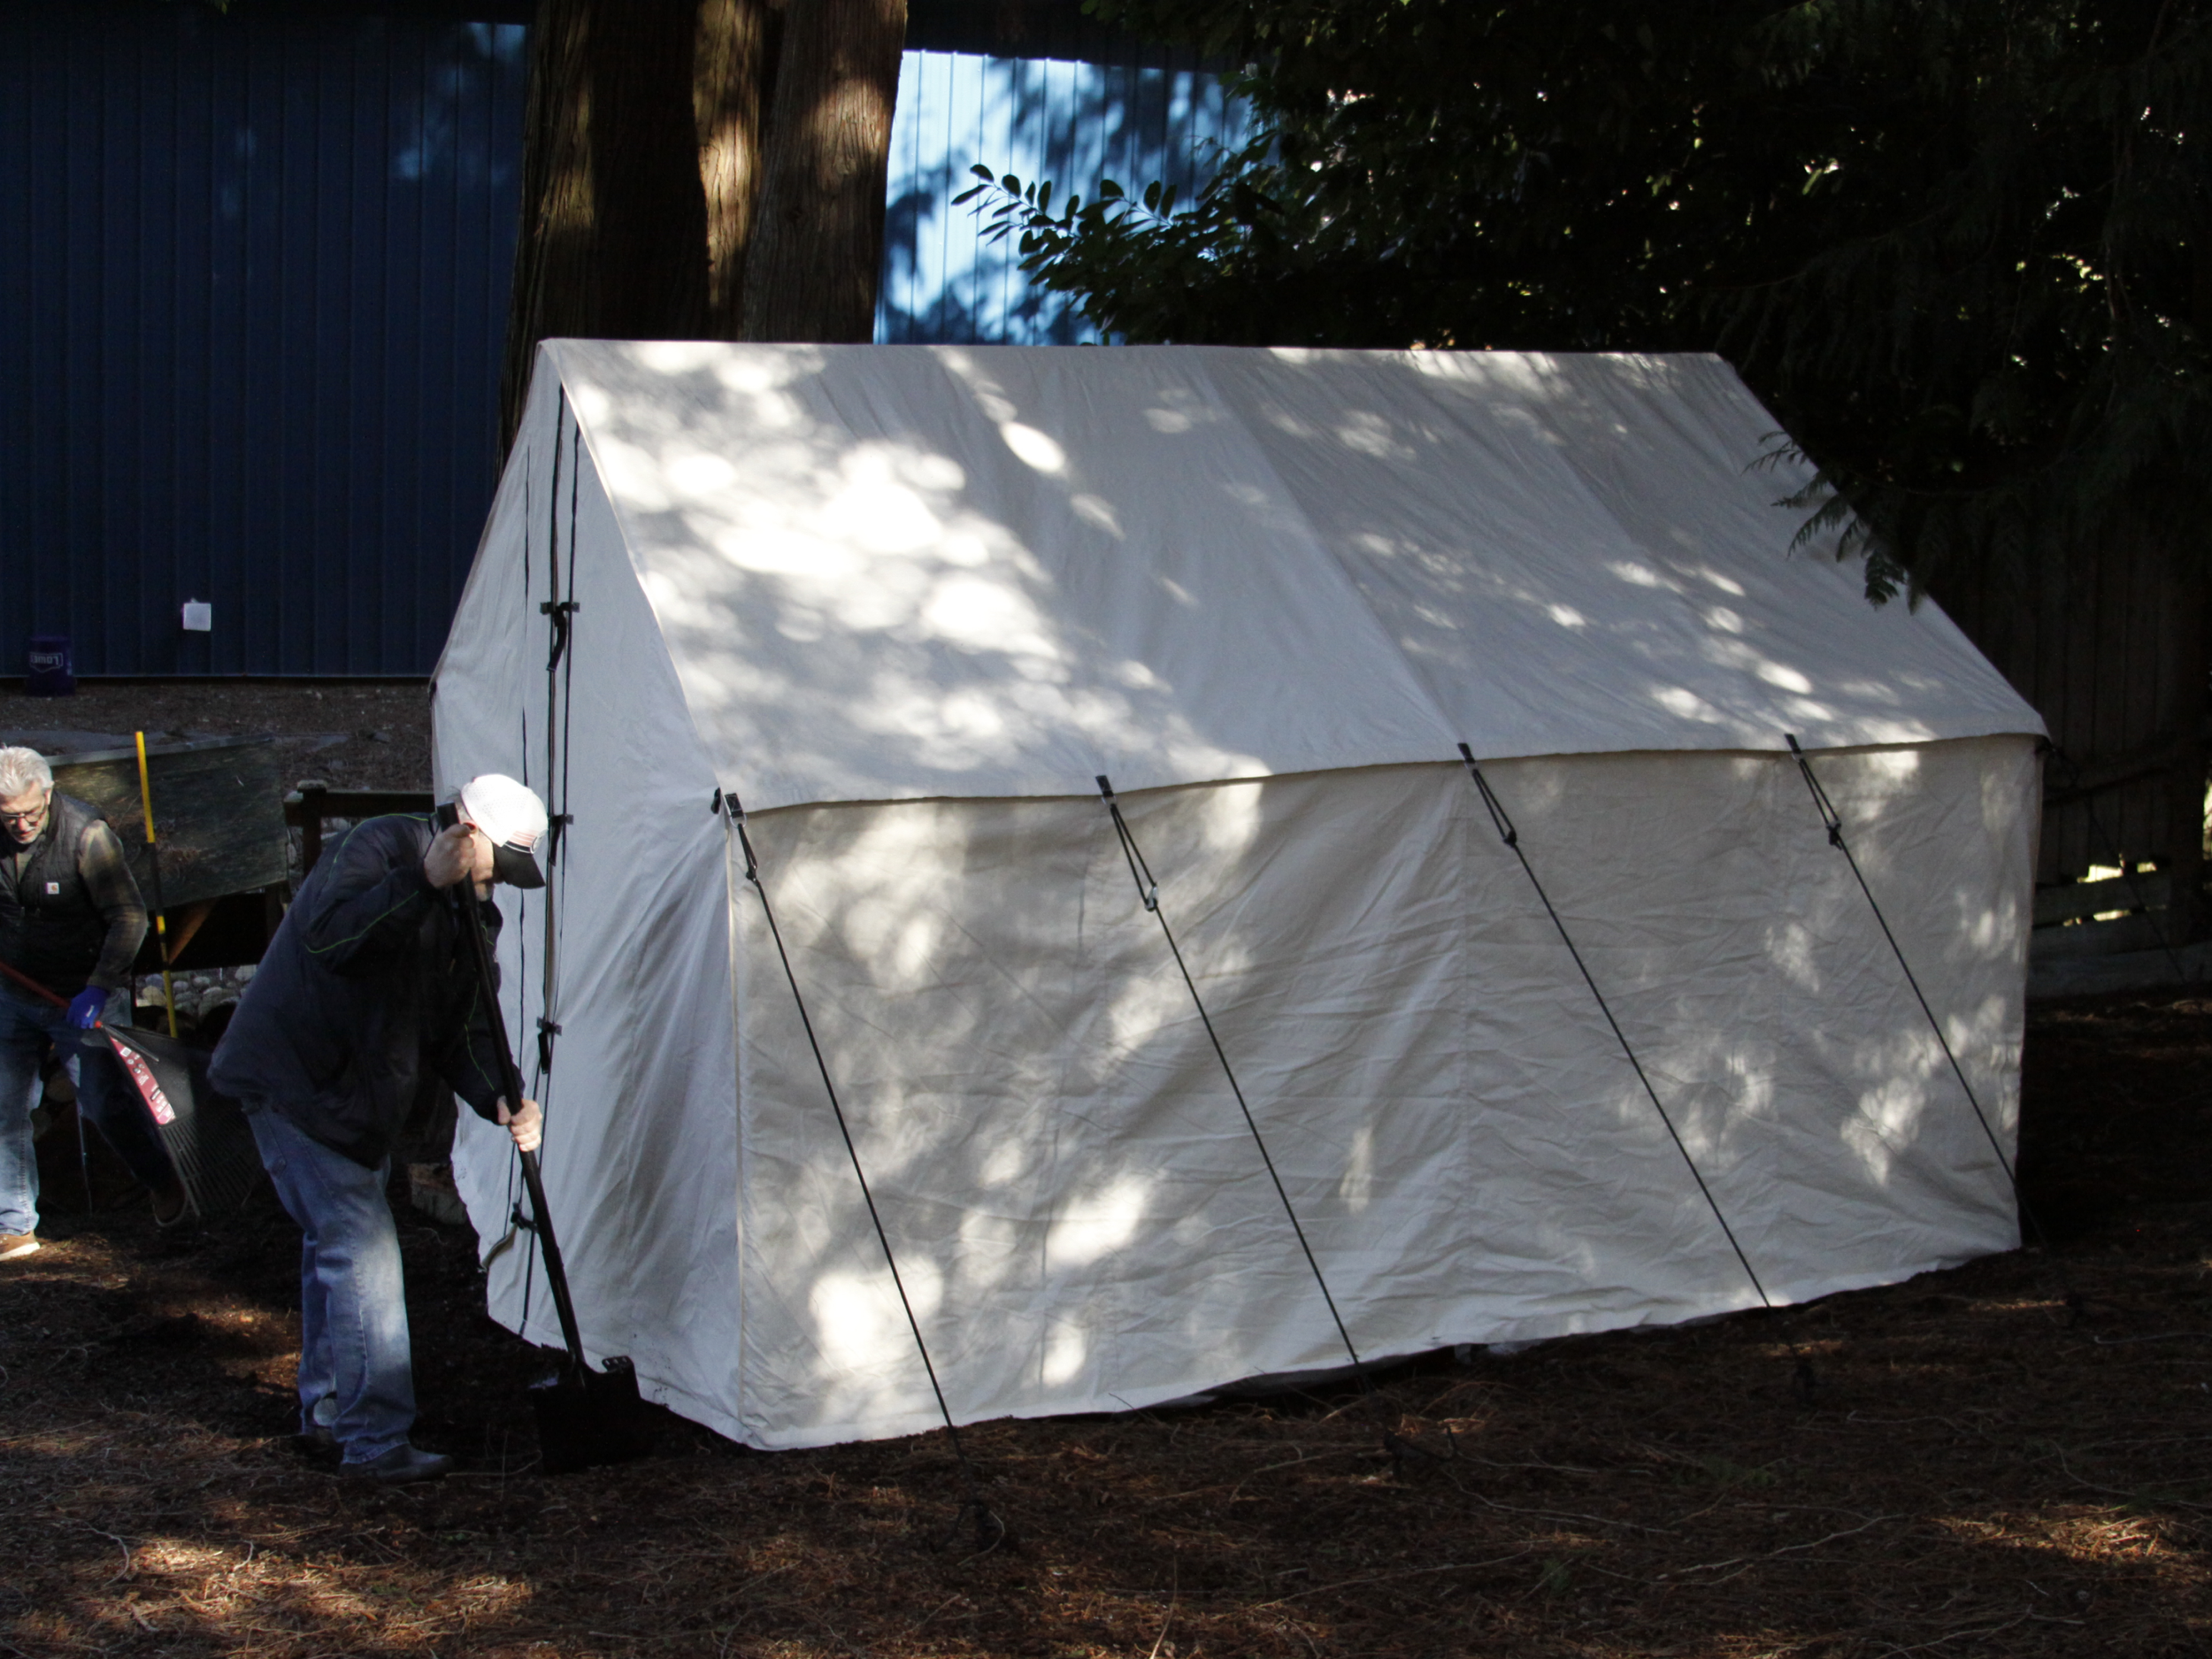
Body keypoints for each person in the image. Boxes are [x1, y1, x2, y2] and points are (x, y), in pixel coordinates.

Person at [211, 773, 549, 1484]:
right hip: (295, 1081)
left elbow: (463, 1021)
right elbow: (334, 940)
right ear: (468, 832)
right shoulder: (378, 847)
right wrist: (422, 883)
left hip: (354, 1101)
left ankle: (330, 1410)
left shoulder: (472, 909)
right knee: (363, 1253)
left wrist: (501, 1098)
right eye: (500, 867)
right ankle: (375, 1440)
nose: (502, 887)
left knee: (333, 1249)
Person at [0, 745, 185, 1260]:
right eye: (9, 816)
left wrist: (101, 985)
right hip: (14, 993)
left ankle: (163, 1180)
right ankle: (14, 1226)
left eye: (30, 814)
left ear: (49, 793)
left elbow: (130, 917)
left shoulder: (87, 836)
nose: (20, 825)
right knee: (5, 1107)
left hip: (82, 993)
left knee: (106, 1103)